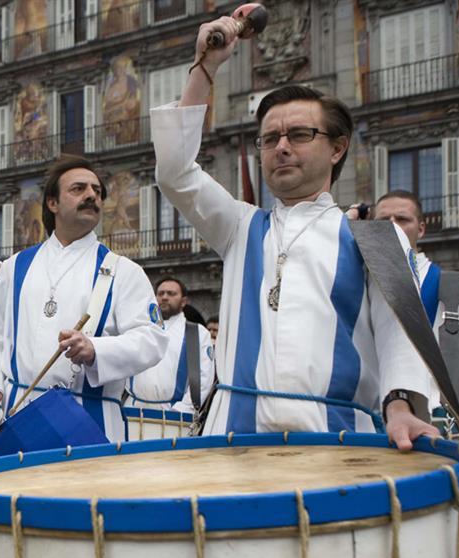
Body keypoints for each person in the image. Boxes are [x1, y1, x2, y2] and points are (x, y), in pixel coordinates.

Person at [149, 16, 437, 448]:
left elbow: (398, 331)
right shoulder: (241, 226)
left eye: (300, 134)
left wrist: (400, 408)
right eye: (269, 139)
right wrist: (204, 68)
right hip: (233, 445)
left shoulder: (376, 236)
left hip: (341, 443)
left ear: (337, 147)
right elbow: (174, 172)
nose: (281, 146)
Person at [0, 156, 169, 441]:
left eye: (97, 191)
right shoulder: (15, 267)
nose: (91, 195)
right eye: (78, 189)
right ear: (53, 203)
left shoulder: (124, 271)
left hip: (92, 420)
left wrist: (95, 349)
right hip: (19, 416)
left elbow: (153, 340)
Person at [373, 190, 459, 410]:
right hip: (365, 419)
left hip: (429, 415)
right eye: (382, 220)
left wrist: (416, 403)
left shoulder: (456, 286)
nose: (392, 225)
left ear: (421, 229)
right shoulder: (360, 281)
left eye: (402, 219)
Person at [125, 277, 216, 414]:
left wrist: (183, 409)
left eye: (171, 293)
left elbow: (204, 376)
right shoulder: (138, 327)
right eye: (160, 293)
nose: (165, 297)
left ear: (184, 301)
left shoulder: (197, 332)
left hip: (174, 413)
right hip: (132, 409)